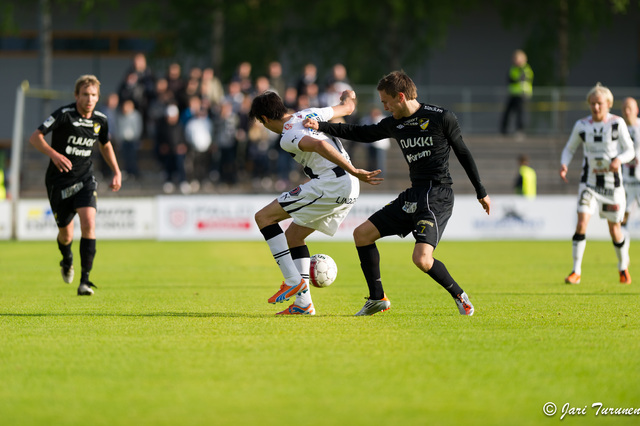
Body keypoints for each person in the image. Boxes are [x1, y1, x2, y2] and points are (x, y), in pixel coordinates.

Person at [304, 70, 491, 316]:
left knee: (422, 260)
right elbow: (362, 133)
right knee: (362, 234)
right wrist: (322, 126)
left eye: (386, 102)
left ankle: (460, 295)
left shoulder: (441, 117)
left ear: (400, 96)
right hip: (414, 195)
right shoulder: (395, 123)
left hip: (437, 196)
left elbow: (463, 153)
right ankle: (377, 298)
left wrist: (481, 191)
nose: (384, 107)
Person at [249, 90, 383, 315]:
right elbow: (348, 108)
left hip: (332, 184)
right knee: (294, 237)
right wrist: (349, 95)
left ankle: (292, 280)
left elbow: (320, 146)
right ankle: (303, 304)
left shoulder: (287, 137)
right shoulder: (308, 113)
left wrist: (355, 170)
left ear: (264, 119)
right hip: (348, 186)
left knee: (263, 217)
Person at [29, 74, 122, 296]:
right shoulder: (64, 115)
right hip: (59, 181)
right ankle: (67, 258)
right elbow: (35, 137)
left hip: (85, 179)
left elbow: (105, 144)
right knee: (66, 236)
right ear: (76, 95)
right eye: (85, 95)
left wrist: (116, 171)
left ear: (98, 97)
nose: (89, 99)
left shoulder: (100, 120)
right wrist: (54, 154)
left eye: (93, 95)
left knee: (89, 222)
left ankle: (85, 281)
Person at [560, 83, 635, 285]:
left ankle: (622, 267)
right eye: (592, 104)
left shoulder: (617, 124)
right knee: (582, 222)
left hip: (612, 185)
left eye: (599, 103)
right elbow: (569, 148)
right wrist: (564, 165)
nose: (596, 107)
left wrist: (619, 159)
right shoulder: (582, 125)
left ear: (608, 104)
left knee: (614, 229)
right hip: (589, 183)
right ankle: (576, 271)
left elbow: (631, 151)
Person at [500, 49, 534, 139]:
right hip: (513, 94)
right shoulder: (513, 68)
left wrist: (515, 80)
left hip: (522, 94)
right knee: (507, 112)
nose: (515, 60)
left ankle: (520, 131)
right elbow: (510, 79)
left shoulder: (526, 69)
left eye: (517, 58)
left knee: (520, 113)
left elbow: (520, 79)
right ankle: (503, 131)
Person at [620, 97, 640, 239]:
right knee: (622, 218)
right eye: (624, 109)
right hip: (625, 181)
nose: (627, 112)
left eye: (630, 108)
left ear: (636, 110)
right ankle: (623, 258)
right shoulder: (619, 129)